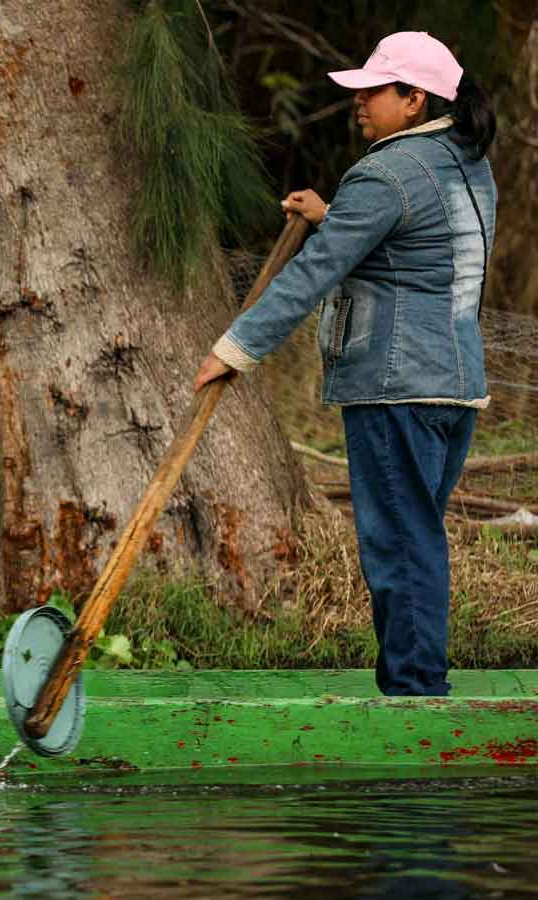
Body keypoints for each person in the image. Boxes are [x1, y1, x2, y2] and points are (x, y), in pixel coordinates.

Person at [193, 32, 497, 697]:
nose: (358, 103)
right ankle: (412, 685)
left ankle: (415, 696)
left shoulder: (384, 172)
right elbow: (414, 248)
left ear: (415, 99)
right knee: (414, 538)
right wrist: (334, 215)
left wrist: (234, 350)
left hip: (396, 387)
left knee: (399, 547)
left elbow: (313, 274)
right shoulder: (465, 165)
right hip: (455, 388)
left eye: (374, 91)